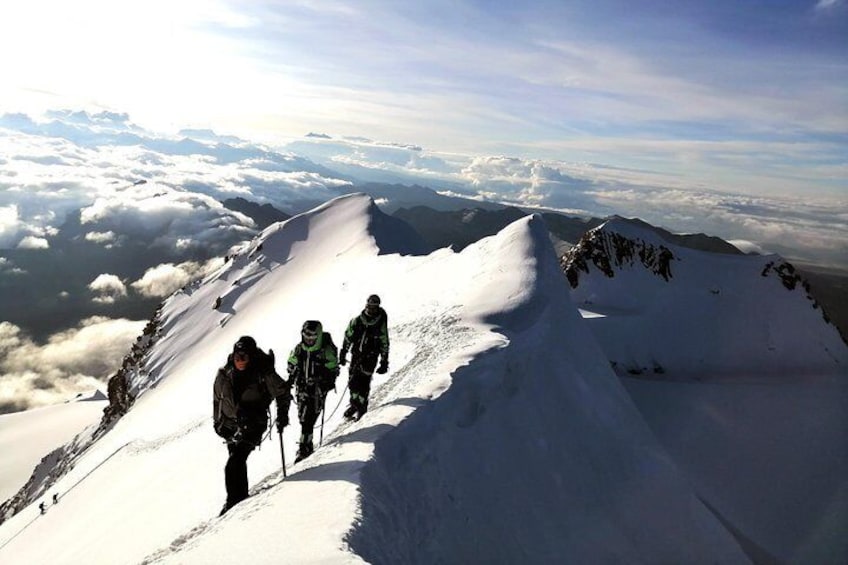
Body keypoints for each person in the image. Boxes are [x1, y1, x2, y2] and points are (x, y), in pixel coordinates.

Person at [213, 336, 290, 516]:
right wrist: (218, 423)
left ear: (252, 356)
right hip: (231, 426)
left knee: (233, 464)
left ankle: (233, 502)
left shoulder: (263, 373)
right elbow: (218, 399)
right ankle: (240, 497)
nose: (240, 361)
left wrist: (282, 416)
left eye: (244, 357)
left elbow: (282, 392)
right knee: (237, 460)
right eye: (237, 357)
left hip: (255, 423)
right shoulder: (226, 373)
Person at [287, 320, 339, 463]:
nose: (309, 340)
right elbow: (291, 361)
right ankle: (306, 442)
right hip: (302, 387)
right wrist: (292, 369)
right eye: (307, 336)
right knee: (302, 416)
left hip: (318, 389)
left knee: (308, 418)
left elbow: (333, 368)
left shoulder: (325, 350)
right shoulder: (299, 349)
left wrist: (323, 379)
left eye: (312, 337)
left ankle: (305, 446)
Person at [339, 294, 389, 422]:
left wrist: (384, 361)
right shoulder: (357, 321)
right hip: (356, 355)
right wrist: (343, 352)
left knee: (364, 382)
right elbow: (348, 336)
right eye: (370, 306)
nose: (371, 309)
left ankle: (362, 406)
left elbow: (384, 342)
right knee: (352, 382)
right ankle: (355, 404)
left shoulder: (380, 324)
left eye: (374, 307)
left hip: (371, 357)